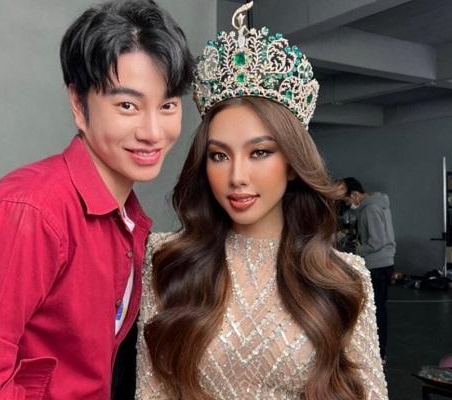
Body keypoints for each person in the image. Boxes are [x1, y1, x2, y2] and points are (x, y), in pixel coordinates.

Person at [0, 1, 194, 398]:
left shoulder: (127, 222)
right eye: (127, 105)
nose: (153, 132)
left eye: (167, 106)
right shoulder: (24, 216)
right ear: (78, 104)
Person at [134, 2, 388, 399]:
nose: (237, 176)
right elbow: (151, 392)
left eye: (260, 152)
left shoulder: (344, 276)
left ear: (292, 163)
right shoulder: (168, 261)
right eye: (219, 155)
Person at [343, 176, 396, 364]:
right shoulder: (377, 204)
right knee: (377, 308)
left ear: (354, 195)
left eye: (347, 200)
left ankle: (380, 353)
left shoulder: (369, 210)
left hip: (377, 265)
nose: (348, 205)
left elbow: (376, 241)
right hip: (384, 263)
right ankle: (379, 351)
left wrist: (358, 249)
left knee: (377, 310)